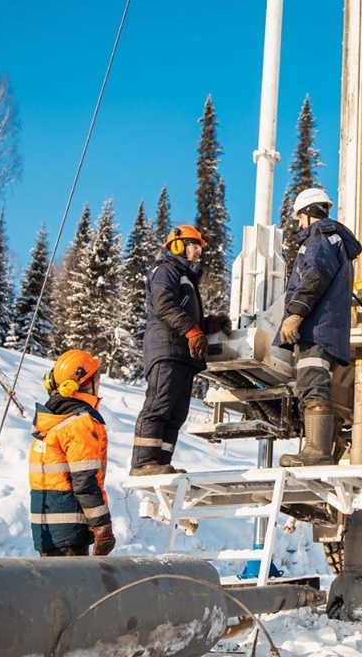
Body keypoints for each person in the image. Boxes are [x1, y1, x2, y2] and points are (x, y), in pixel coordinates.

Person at [130, 225, 230, 476]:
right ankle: (143, 463)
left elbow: (184, 315)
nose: (199, 252)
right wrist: (193, 332)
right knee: (159, 405)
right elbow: (163, 305)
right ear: (178, 246)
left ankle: (160, 462)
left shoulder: (187, 278)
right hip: (166, 348)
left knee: (176, 412)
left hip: (182, 354)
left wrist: (209, 325)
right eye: (195, 245)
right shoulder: (166, 270)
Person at [274, 187, 362, 467]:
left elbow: (314, 277)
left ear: (309, 213)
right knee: (316, 384)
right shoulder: (335, 241)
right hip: (327, 328)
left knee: (312, 384)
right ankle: (320, 449)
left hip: (317, 327)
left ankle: (317, 451)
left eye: (299, 218)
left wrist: (295, 314)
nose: (299, 225)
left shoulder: (320, 238)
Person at [30, 349, 115, 557]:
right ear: (86, 383)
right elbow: (85, 481)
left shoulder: (50, 423)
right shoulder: (79, 424)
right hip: (71, 534)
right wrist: (102, 527)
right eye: (97, 378)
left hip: (47, 533)